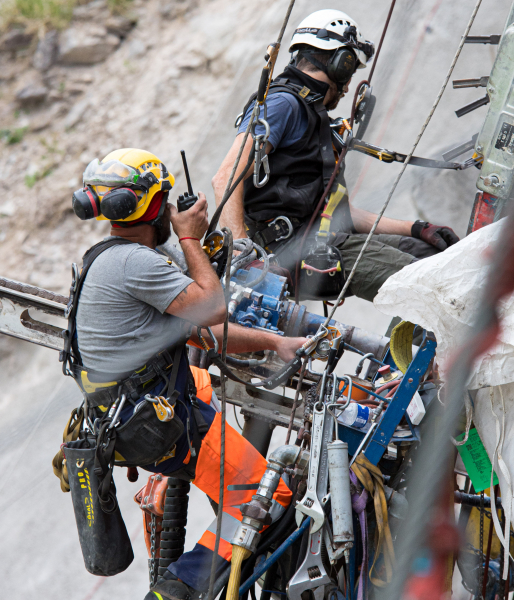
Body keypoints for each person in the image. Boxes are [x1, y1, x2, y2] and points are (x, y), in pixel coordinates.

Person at [66, 149, 306, 600]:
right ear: (154, 207)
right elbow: (213, 308)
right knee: (269, 500)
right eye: (167, 201)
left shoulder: (104, 258)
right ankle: (177, 590)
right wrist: (191, 239)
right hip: (156, 426)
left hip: (126, 414)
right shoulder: (137, 264)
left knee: (199, 382)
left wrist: (274, 343)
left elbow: (203, 333)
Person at [213, 9, 460, 301]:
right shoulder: (283, 104)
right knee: (432, 284)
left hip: (325, 240)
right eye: (350, 70)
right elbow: (225, 177)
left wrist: (417, 228)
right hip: (291, 253)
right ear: (339, 63)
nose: (346, 87)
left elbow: (342, 213)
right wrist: (245, 256)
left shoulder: (311, 114)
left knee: (438, 256)